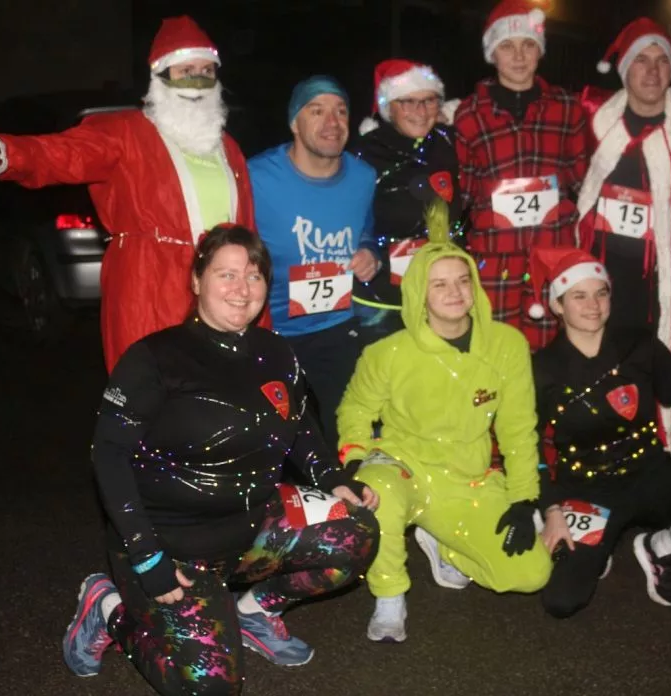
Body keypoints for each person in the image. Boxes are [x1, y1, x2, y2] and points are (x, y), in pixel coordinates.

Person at [60, 225, 380, 694]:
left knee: (357, 531)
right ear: (196, 280)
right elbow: (108, 455)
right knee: (209, 689)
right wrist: (147, 555)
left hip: (252, 528)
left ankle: (255, 612)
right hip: (171, 550)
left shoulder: (276, 352)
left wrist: (334, 479)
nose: (241, 289)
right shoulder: (154, 357)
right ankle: (109, 609)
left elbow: (300, 430)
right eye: (226, 274)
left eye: (253, 276)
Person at [0, 15, 260, 373]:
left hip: (224, 289)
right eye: (186, 71)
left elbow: (249, 238)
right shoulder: (126, 134)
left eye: (206, 71)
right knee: (154, 390)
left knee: (228, 387)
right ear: (162, 77)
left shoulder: (228, 150)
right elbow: (64, 154)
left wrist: (262, 332)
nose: (198, 81)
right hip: (149, 284)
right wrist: (1, 153)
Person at [337, 200, 551, 643]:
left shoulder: (507, 345)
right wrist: (355, 461)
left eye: (462, 280)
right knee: (379, 494)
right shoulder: (387, 354)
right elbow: (354, 410)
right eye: (439, 284)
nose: (454, 292)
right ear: (420, 292)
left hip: (466, 478)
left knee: (531, 573)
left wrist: (524, 498)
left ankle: (444, 540)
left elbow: (517, 428)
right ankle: (390, 595)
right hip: (403, 465)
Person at [525, 246, 671, 618]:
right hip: (589, 489)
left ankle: (661, 548)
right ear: (557, 305)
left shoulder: (639, 346)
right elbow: (527, 444)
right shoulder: (543, 368)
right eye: (579, 296)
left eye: (601, 293)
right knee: (562, 600)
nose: (593, 305)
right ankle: (592, 545)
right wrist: (551, 508)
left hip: (649, 472)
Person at [574, 17, 671, 450]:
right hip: (596, 271)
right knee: (592, 364)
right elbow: (534, 108)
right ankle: (590, 452)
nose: (652, 71)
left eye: (662, 61)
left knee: (651, 369)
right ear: (624, 68)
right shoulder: (592, 117)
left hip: (659, 283)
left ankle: (645, 457)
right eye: (641, 60)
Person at [248, 76, 380, 450]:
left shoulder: (363, 177)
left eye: (341, 111)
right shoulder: (256, 176)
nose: (332, 122)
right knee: (273, 444)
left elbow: (368, 232)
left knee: (342, 436)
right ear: (294, 122)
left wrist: (370, 254)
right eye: (317, 111)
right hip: (271, 330)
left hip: (336, 327)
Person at [452, 0, 588, 351]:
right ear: (492, 54)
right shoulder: (469, 115)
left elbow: (583, 178)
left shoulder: (567, 109)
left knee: (554, 353)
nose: (518, 56)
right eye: (507, 46)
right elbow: (462, 193)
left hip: (553, 253)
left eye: (528, 44)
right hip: (495, 258)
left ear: (540, 51)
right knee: (493, 350)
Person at [350, 58, 463, 344]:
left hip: (445, 294)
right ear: (389, 107)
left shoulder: (451, 143)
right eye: (408, 102)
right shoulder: (365, 152)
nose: (420, 111)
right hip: (383, 300)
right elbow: (344, 215)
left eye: (429, 100)